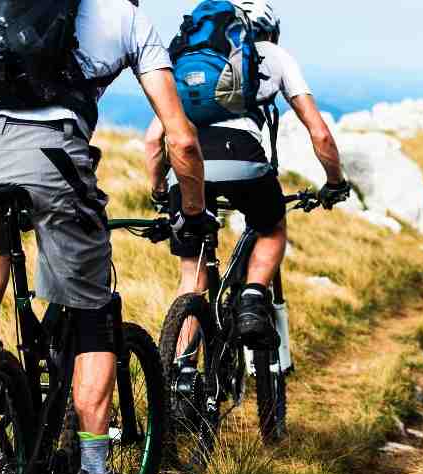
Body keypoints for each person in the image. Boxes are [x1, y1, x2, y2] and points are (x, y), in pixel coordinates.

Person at [0, 0, 210, 474]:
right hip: (48, 156)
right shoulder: (126, 18)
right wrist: (193, 212)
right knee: (94, 320)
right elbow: (178, 137)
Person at [145, 0, 350, 349]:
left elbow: (153, 140)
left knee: (191, 277)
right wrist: (334, 182)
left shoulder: (187, 58)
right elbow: (320, 133)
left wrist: (160, 188)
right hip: (245, 161)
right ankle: (254, 296)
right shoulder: (273, 54)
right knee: (272, 227)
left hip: (188, 166)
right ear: (269, 29)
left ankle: (180, 372)